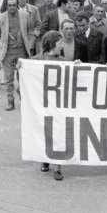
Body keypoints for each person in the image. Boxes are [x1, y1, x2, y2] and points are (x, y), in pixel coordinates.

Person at [30, 31, 68, 181]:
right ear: (51, 44)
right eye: (60, 44)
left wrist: (76, 67)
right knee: (44, 131)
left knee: (59, 133)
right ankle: (45, 158)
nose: (62, 46)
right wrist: (21, 66)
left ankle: (58, 166)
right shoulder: (36, 60)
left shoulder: (65, 61)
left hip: (59, 104)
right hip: (42, 103)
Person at [0, 0, 34, 110]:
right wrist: (0, 46)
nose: (12, 7)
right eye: (9, 5)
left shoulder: (25, 16)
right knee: (8, 78)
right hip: (7, 52)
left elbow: (30, 30)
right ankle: (10, 101)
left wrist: (30, 45)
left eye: (14, 5)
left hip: (21, 50)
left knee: (22, 77)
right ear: (6, 6)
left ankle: (23, 98)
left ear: (17, 5)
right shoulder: (1, 18)